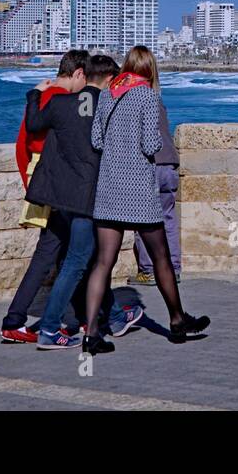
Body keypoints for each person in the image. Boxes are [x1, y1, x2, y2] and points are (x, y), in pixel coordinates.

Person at [83, 46, 209, 354]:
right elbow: (151, 143)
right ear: (150, 70)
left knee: (103, 263)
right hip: (138, 191)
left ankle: (91, 335)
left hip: (109, 189)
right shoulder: (147, 96)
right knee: (161, 258)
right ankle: (177, 320)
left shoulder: (109, 94)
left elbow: (96, 140)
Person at [26, 54, 144, 350]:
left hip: (63, 197)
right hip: (91, 197)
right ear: (106, 79)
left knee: (91, 260)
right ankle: (50, 328)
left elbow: (33, 124)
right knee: (78, 261)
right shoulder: (109, 106)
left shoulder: (59, 103)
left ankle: (116, 317)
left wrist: (35, 94)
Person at [0, 49, 89, 343]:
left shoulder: (45, 95)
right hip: (57, 184)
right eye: (83, 79)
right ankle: (83, 317)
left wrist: (30, 184)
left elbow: (22, 143)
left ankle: (22, 320)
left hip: (45, 182)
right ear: (77, 73)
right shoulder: (59, 100)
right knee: (67, 253)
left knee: (57, 251)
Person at [128, 72, 182, 287]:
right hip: (169, 162)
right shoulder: (156, 99)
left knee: (144, 221)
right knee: (168, 218)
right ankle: (174, 268)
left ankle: (149, 270)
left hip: (150, 164)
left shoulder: (133, 100)